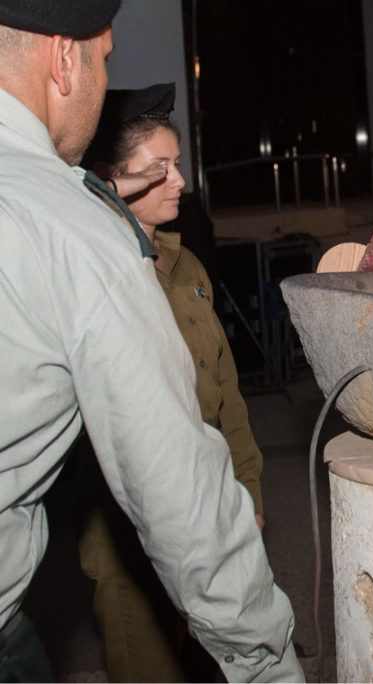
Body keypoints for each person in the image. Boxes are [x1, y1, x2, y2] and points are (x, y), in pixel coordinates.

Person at [0, 2, 302, 681]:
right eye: (103, 57)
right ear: (62, 57)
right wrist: (265, 660)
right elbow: (177, 490)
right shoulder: (73, 233)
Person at [73, 83, 267, 682]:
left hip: (212, 505)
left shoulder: (187, 267)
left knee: (216, 661)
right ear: (112, 181)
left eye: (177, 164)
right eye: (159, 168)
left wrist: (249, 493)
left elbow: (225, 391)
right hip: (134, 528)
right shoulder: (97, 278)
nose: (179, 180)